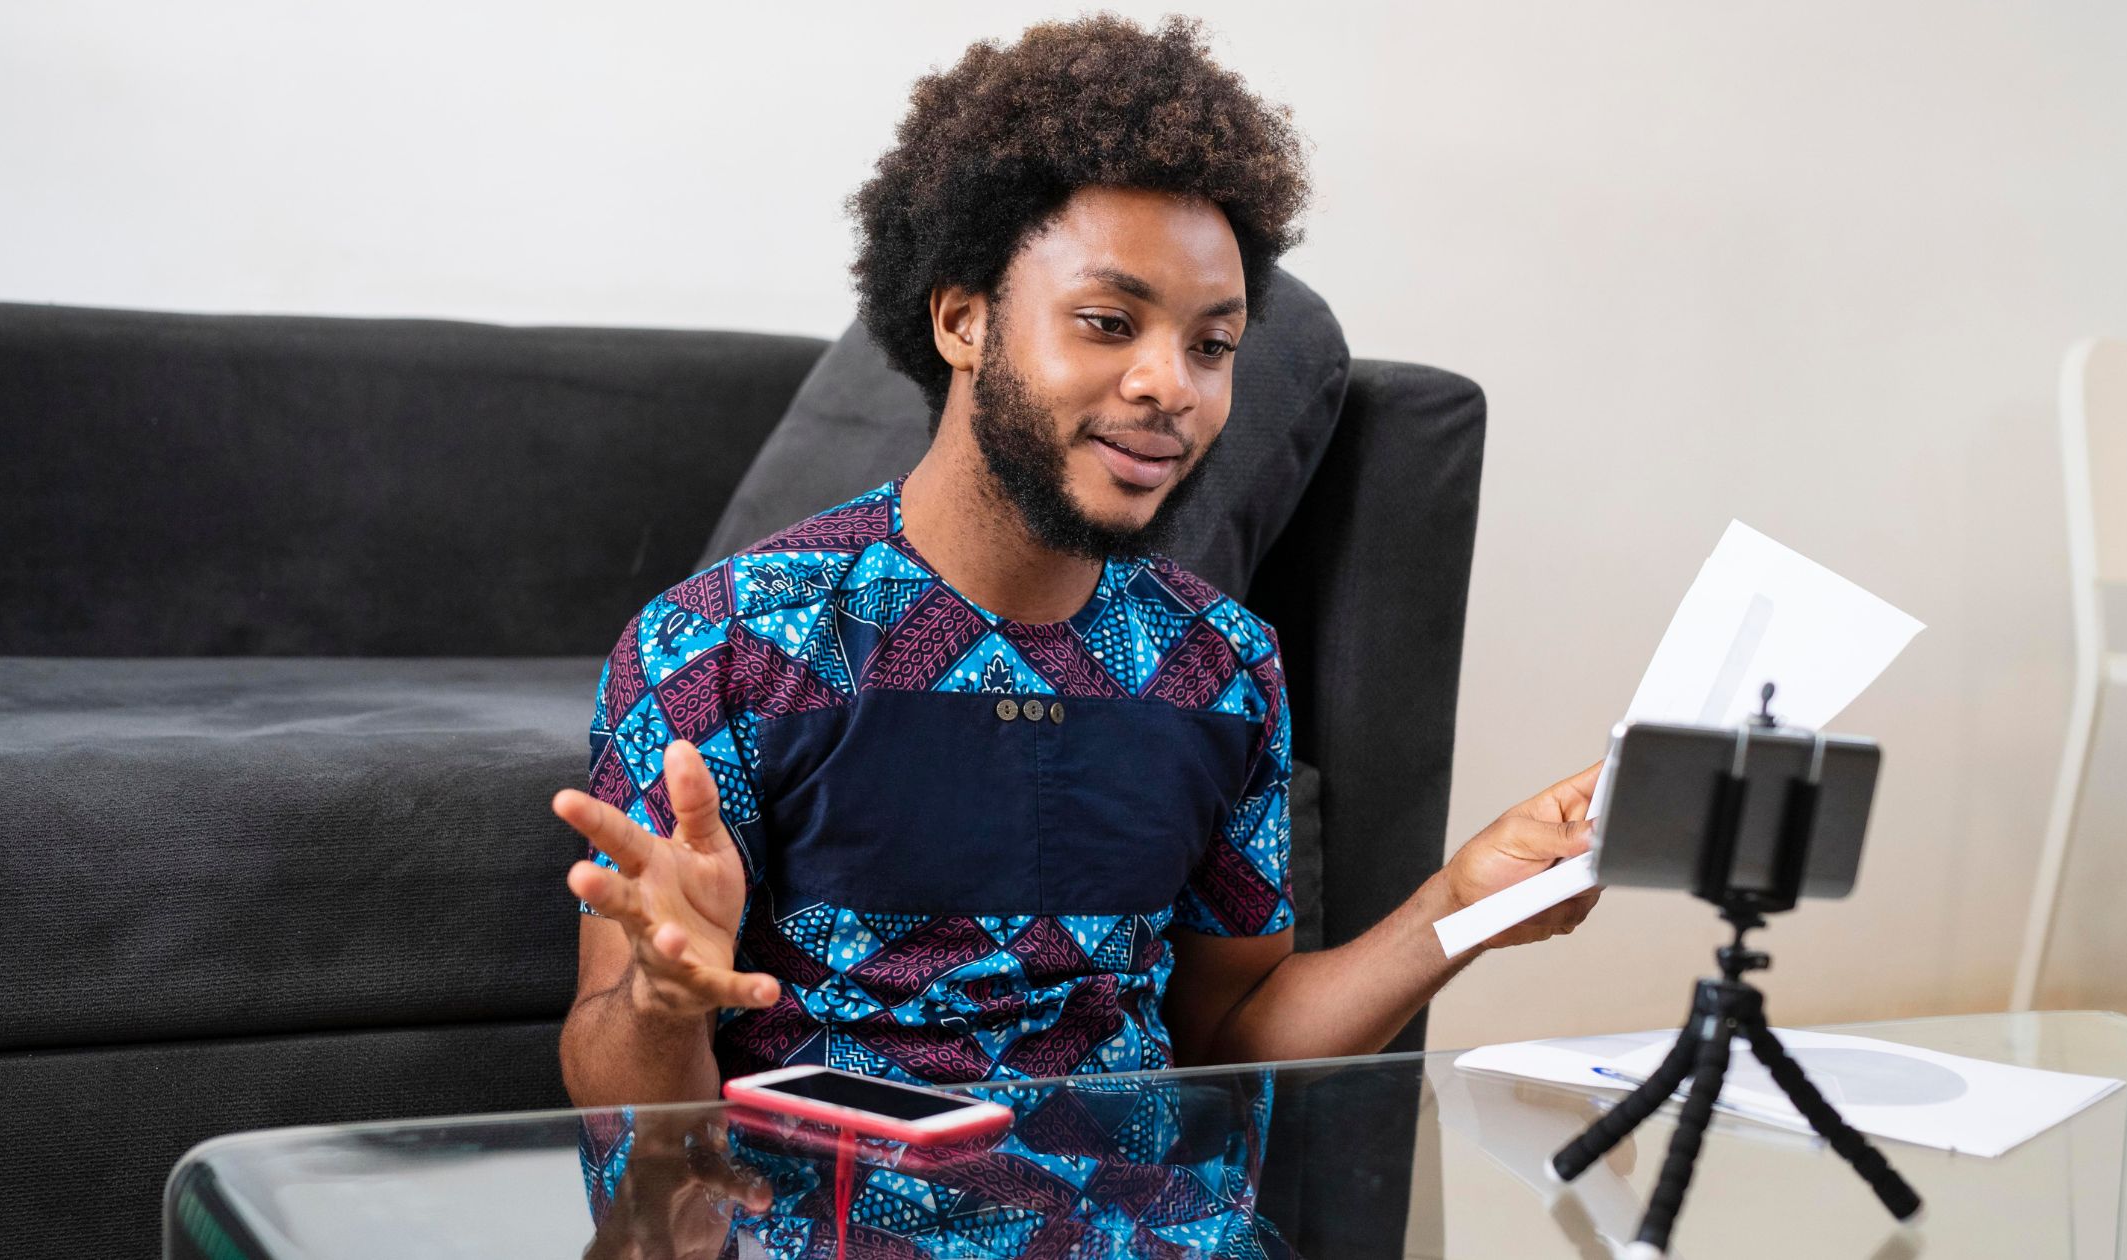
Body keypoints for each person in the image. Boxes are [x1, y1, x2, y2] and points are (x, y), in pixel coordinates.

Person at [554, 14, 1600, 1113]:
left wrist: (1461, 902)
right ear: (963, 320)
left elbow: (1235, 1032)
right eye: (1107, 322)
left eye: (1211, 344)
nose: (1172, 387)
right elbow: (615, 1100)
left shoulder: (1219, 664)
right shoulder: (724, 643)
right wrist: (664, 1003)